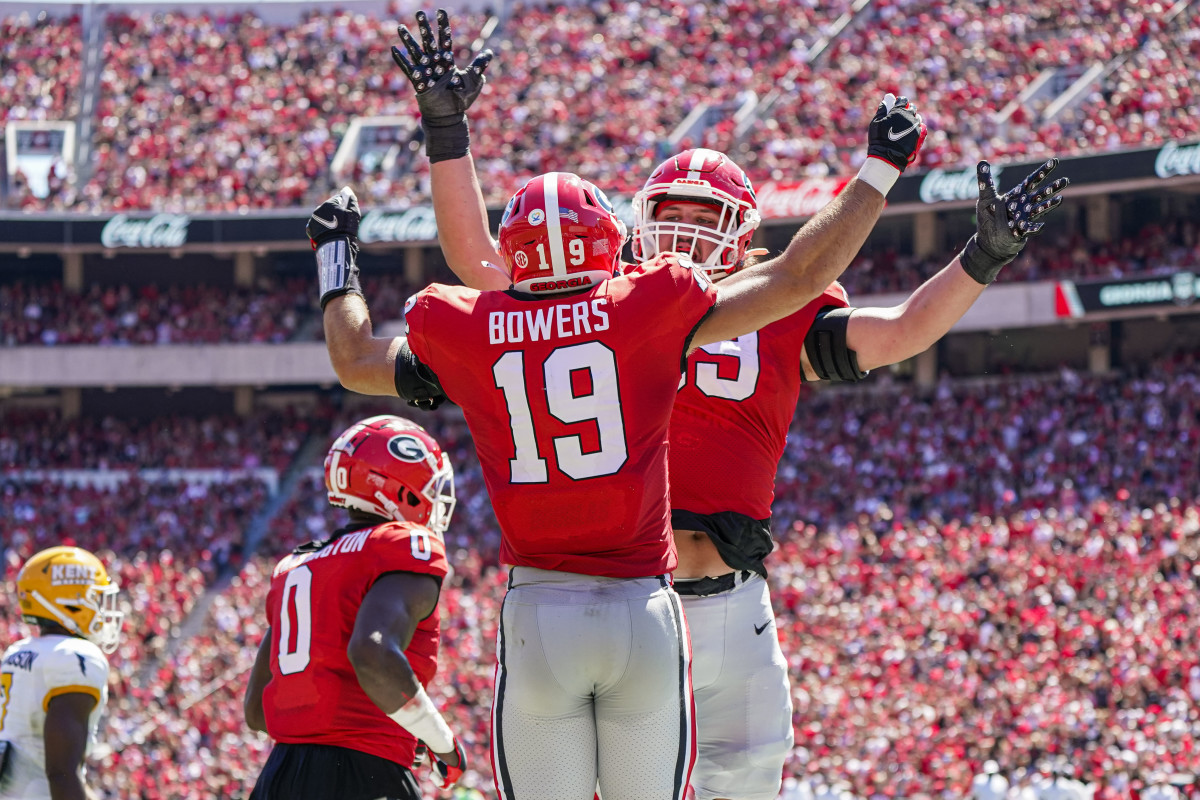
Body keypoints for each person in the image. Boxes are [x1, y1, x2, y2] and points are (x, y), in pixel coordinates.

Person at [389, 10, 1069, 800]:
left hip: (734, 606)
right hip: (636, 605)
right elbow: (482, 263)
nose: (682, 239)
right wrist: (448, 136)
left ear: (744, 239)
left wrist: (979, 259)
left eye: (703, 222)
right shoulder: (611, 304)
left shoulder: (772, 307)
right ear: (636, 227)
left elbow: (901, 331)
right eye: (669, 219)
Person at [244, 414, 463, 800]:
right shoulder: (402, 545)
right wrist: (440, 739)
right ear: (401, 487)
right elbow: (372, 653)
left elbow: (256, 711)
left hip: (277, 778)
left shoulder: (298, 564)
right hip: (364, 776)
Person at [1, 546, 123, 800]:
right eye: (94, 598)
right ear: (70, 601)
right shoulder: (76, 657)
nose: (101, 609)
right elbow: (61, 773)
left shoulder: (19, 651)